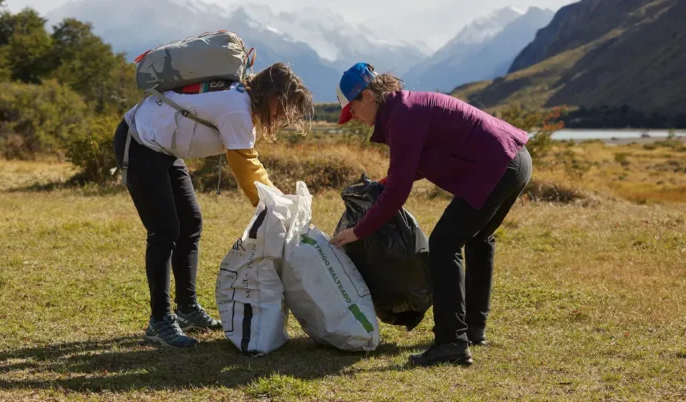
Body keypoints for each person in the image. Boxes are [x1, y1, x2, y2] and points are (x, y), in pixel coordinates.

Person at [330, 63, 532, 366]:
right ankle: (472, 329)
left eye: (353, 110)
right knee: (478, 239)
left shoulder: (402, 116)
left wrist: (360, 230)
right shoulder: (405, 109)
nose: (354, 117)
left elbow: (398, 193)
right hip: (515, 160)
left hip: (499, 164)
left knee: (443, 243)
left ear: (368, 96)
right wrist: (385, 184)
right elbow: (417, 164)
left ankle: (451, 342)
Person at [113, 62, 314, 348]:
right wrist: (273, 208)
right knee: (165, 230)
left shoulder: (241, 104)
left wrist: (274, 203)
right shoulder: (236, 107)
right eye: (282, 105)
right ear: (269, 93)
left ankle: (187, 309)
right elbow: (245, 165)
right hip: (140, 141)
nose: (283, 114)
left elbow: (249, 161)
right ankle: (159, 320)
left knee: (190, 223)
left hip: (164, 150)